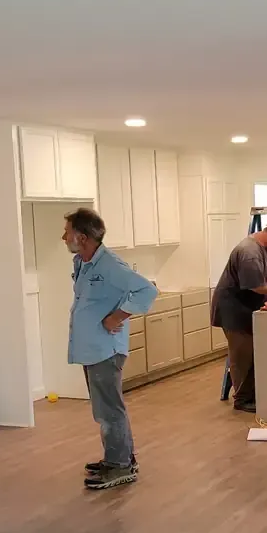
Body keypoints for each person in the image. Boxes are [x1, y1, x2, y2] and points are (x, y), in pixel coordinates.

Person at [63, 208, 158, 490]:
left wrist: (117, 317)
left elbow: (147, 291)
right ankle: (118, 457)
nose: (63, 237)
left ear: (81, 237)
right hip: (92, 347)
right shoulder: (84, 262)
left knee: (109, 410)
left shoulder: (110, 266)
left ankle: (120, 466)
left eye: (67, 232)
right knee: (104, 408)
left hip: (106, 349)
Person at [210, 216, 267, 413]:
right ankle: (242, 399)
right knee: (243, 355)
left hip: (247, 308)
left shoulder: (263, 249)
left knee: (252, 353)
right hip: (234, 309)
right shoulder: (249, 252)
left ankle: (252, 395)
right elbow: (256, 286)